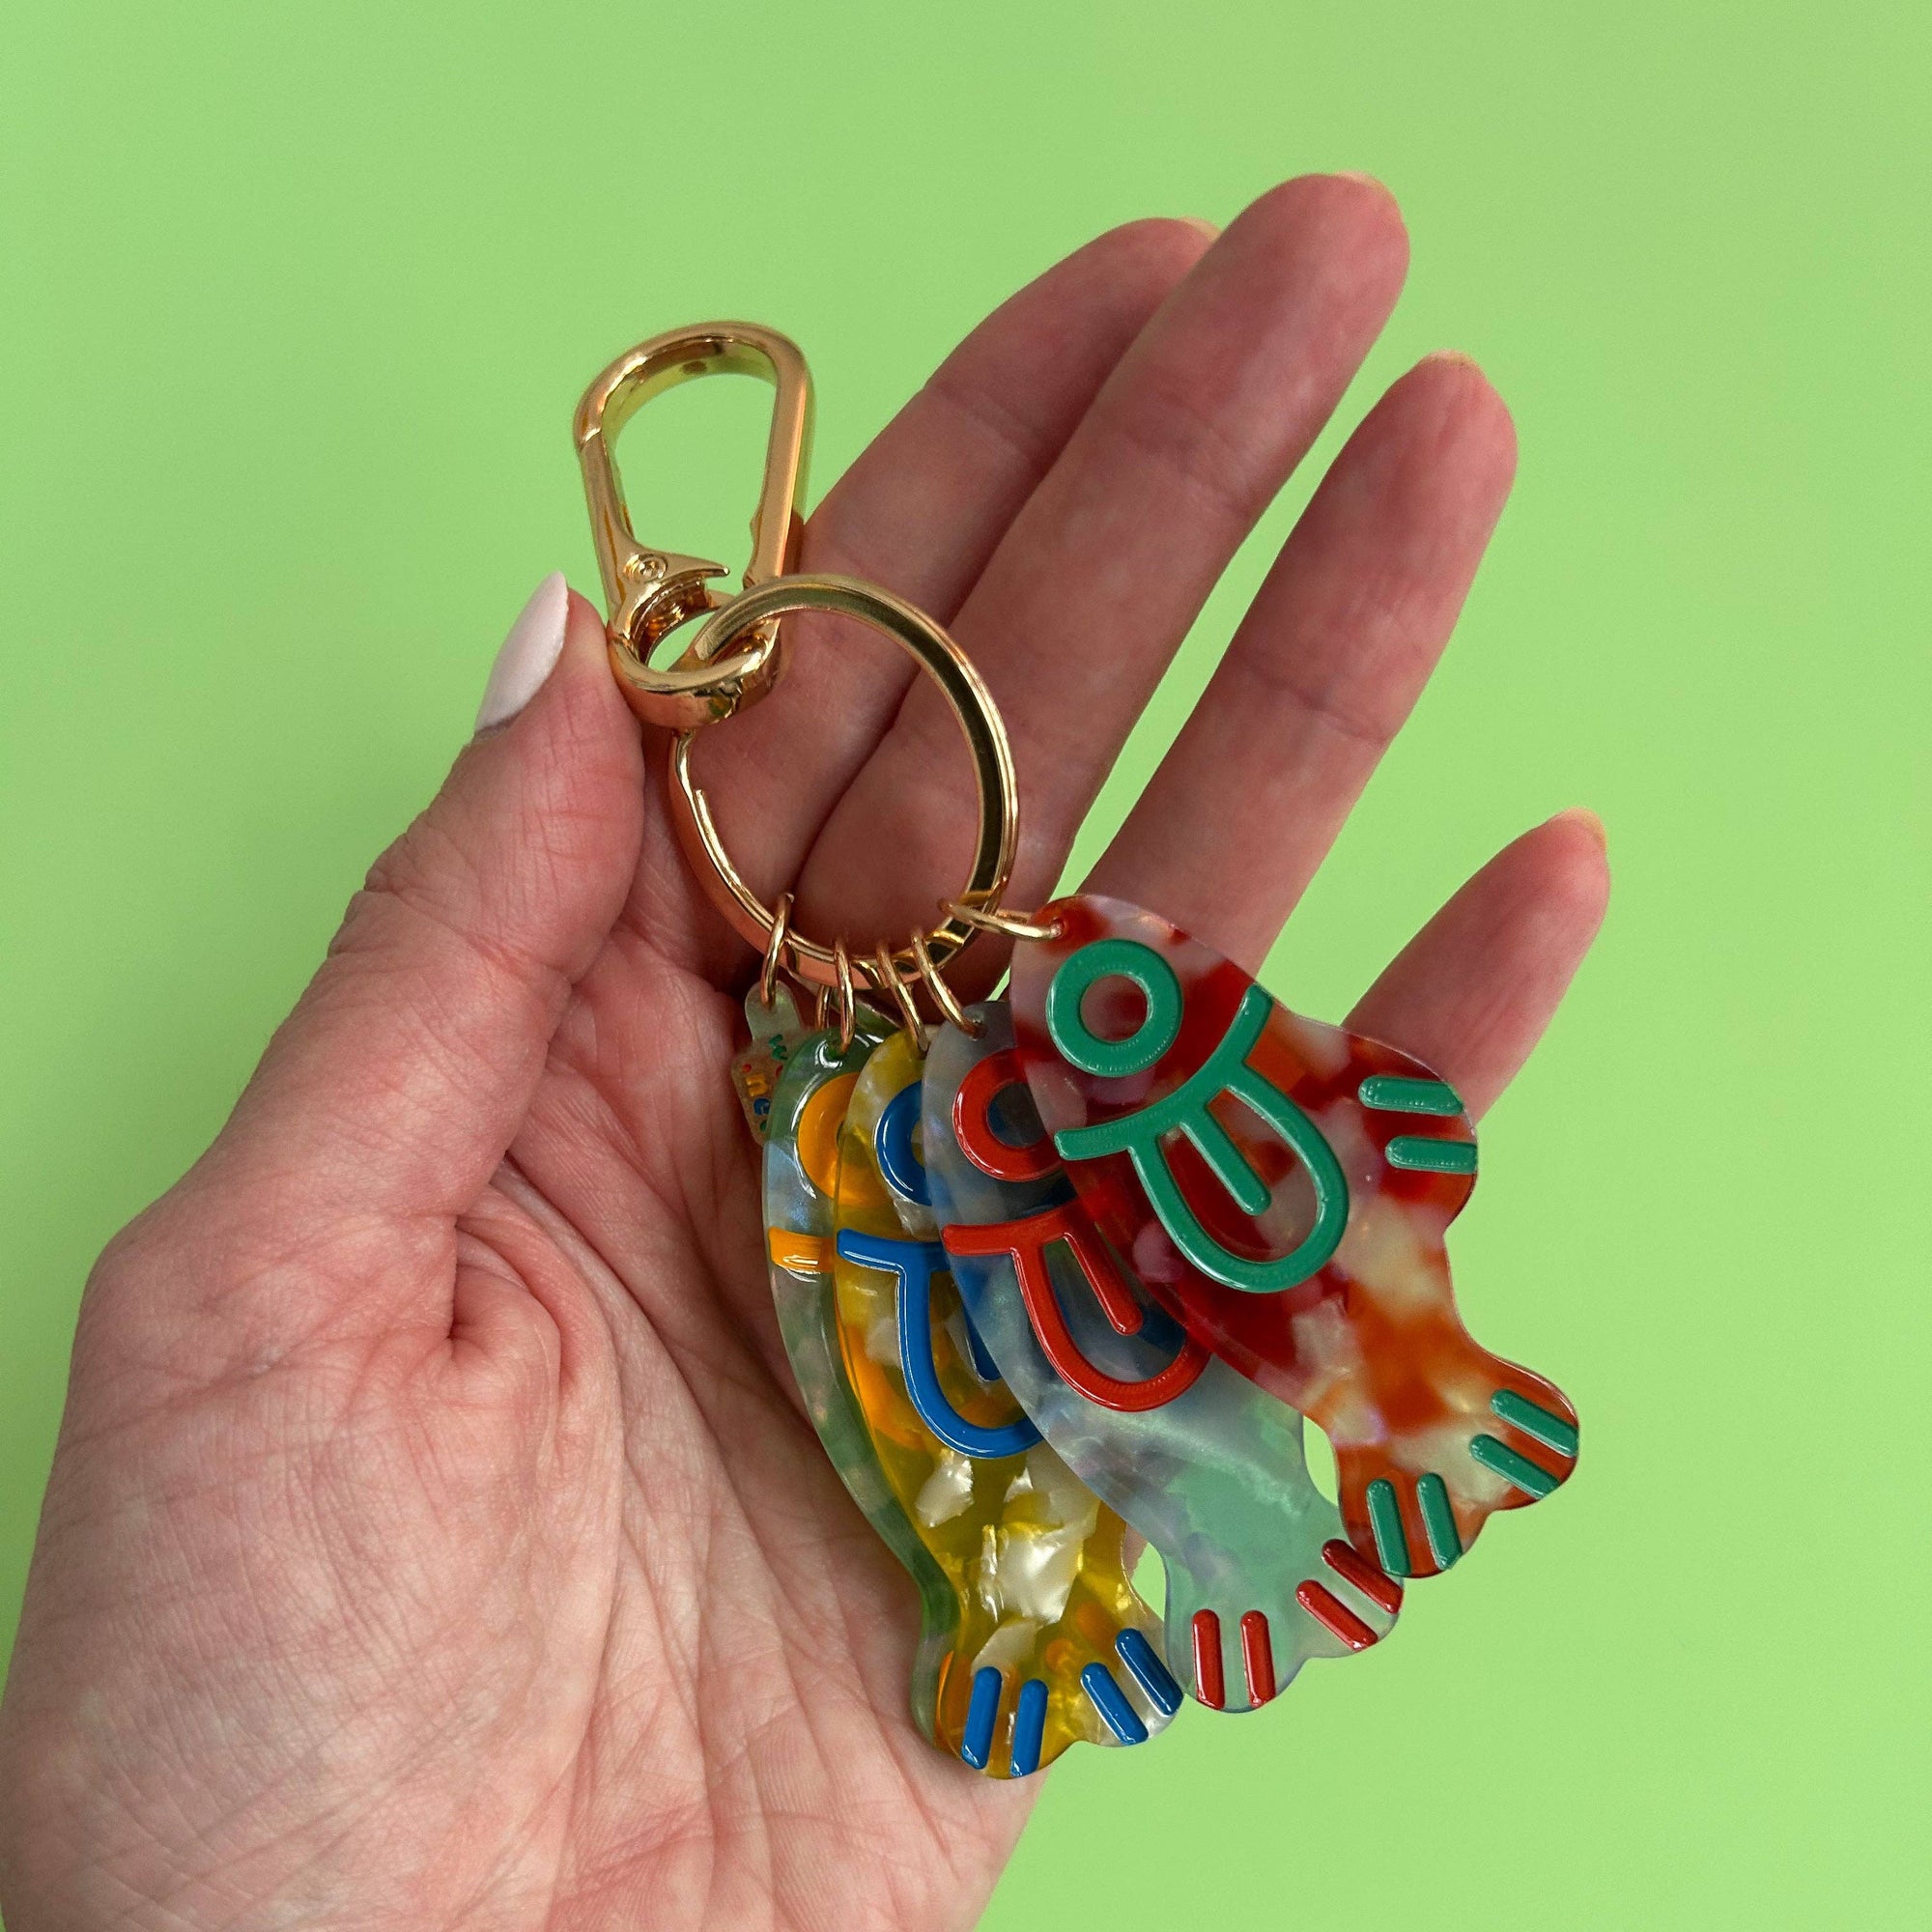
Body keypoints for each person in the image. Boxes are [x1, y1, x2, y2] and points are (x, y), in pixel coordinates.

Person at [0, 176, 1607, 1932]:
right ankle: (1216, 1550)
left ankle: (1353, 1470)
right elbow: (1020, 1347)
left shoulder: (1062, 1068)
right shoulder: (912, 1137)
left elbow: (1149, 1290)